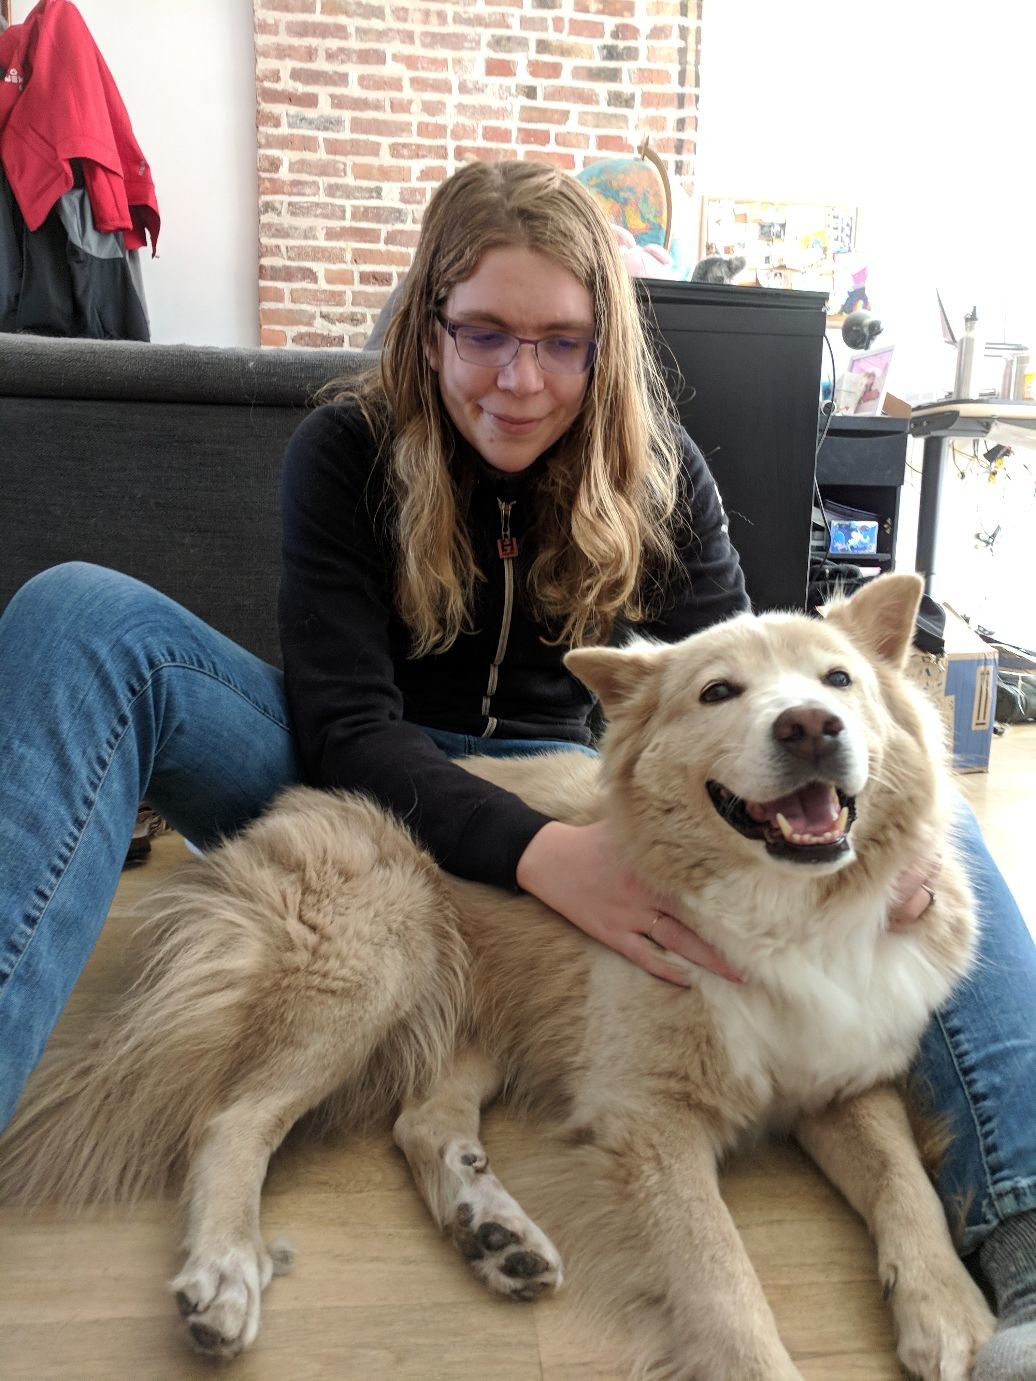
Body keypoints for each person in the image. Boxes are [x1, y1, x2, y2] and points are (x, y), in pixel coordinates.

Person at [0, 160, 1032, 1377]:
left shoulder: (662, 475)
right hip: (354, 766)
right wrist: (547, 856)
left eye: (561, 342)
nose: (519, 377)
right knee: (78, 612)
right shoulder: (344, 448)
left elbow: (731, 692)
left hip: (562, 772)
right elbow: (343, 725)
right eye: (484, 332)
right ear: (428, 321)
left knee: (933, 832)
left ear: (604, 346)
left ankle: (1019, 1225)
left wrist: (855, 836)